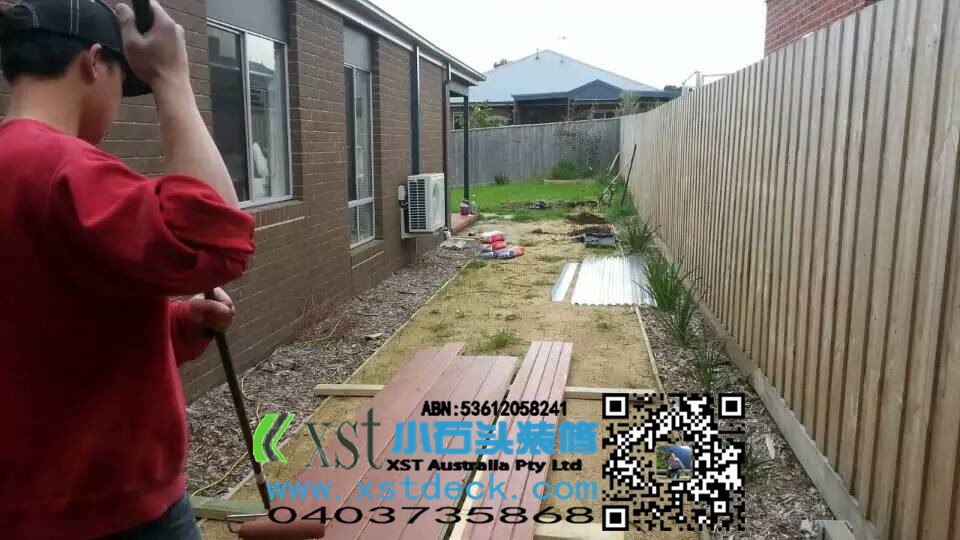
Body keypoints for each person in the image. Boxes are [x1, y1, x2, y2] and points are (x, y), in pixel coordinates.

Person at [0, 1, 255, 538]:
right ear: (94, 63)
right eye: (123, 82)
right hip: (111, 513)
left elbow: (41, 327)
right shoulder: (66, 170)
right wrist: (170, 77)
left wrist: (178, 322)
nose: (117, 104)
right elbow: (218, 240)